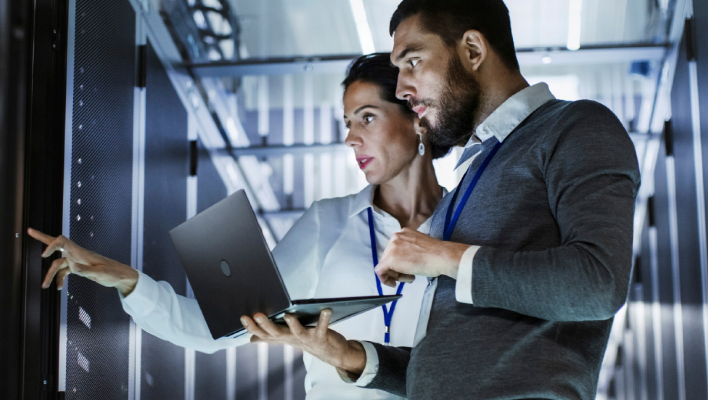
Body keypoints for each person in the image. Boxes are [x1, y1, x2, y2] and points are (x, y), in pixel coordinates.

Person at [240, 1, 641, 399]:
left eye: (412, 61)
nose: (400, 88)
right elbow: (449, 366)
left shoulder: (575, 127)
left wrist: (445, 257)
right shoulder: (470, 179)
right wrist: (348, 355)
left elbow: (598, 283)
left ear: (472, 50)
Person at [28, 53, 452, 399]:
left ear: (416, 116)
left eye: (367, 118)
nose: (350, 139)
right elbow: (220, 331)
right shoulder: (330, 222)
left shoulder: (467, 226)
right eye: (347, 123)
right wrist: (126, 280)